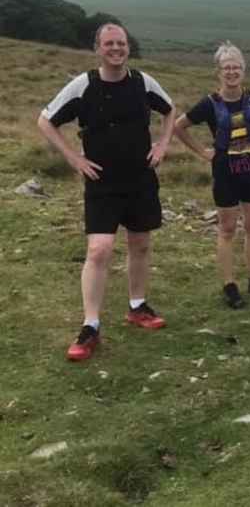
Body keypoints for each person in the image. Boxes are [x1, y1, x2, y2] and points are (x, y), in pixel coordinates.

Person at [37, 22, 176, 361]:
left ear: (128, 47)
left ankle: (137, 305)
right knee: (99, 250)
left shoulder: (144, 82)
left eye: (122, 43)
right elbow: (45, 120)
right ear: (98, 48)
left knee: (140, 243)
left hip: (140, 178)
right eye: (109, 44)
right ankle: (91, 326)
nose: (117, 49)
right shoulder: (84, 85)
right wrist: (73, 158)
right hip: (102, 182)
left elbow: (170, 110)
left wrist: (162, 144)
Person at [174, 41, 250, 309]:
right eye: (226, 68)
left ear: (243, 70)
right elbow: (179, 127)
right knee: (228, 228)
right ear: (218, 72)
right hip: (225, 172)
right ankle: (229, 285)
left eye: (236, 67)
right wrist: (203, 153)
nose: (231, 72)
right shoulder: (209, 104)